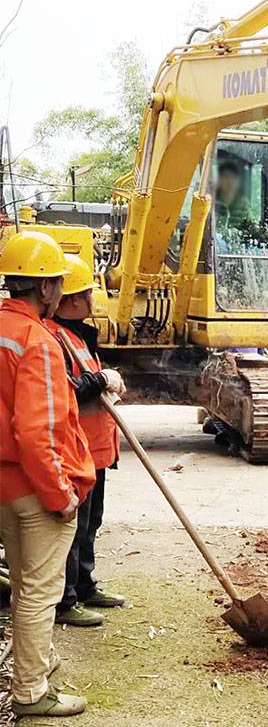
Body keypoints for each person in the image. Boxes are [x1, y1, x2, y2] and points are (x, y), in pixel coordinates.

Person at [0, 231, 96, 717]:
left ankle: (33, 663)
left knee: (23, 585)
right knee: (40, 593)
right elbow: (39, 430)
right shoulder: (37, 340)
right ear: (44, 289)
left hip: (4, 485)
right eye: (58, 280)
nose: (61, 289)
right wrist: (60, 494)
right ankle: (31, 691)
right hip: (37, 487)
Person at [45, 255, 127, 627]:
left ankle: (85, 584)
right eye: (87, 293)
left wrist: (108, 377)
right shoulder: (52, 335)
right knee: (73, 530)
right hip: (74, 453)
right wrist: (103, 379)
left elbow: (90, 380)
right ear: (72, 300)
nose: (94, 299)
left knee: (91, 522)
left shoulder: (78, 335)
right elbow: (68, 390)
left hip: (95, 449)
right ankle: (66, 600)